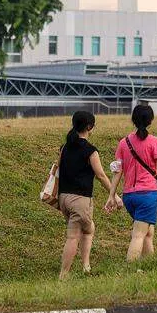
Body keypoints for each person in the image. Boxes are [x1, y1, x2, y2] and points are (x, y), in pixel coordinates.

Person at [105, 103, 157, 262]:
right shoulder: (154, 142)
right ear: (150, 121)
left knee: (148, 232)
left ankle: (149, 266)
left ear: (133, 120)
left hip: (129, 196)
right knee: (138, 235)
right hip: (147, 195)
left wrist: (112, 195)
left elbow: (117, 172)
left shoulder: (123, 143)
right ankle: (130, 272)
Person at [56, 111, 113, 280]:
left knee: (88, 229)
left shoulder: (64, 147)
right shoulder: (90, 151)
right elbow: (101, 175)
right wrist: (114, 194)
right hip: (80, 200)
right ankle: (63, 275)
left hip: (63, 198)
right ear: (89, 127)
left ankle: (86, 266)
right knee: (73, 237)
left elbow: (58, 169)